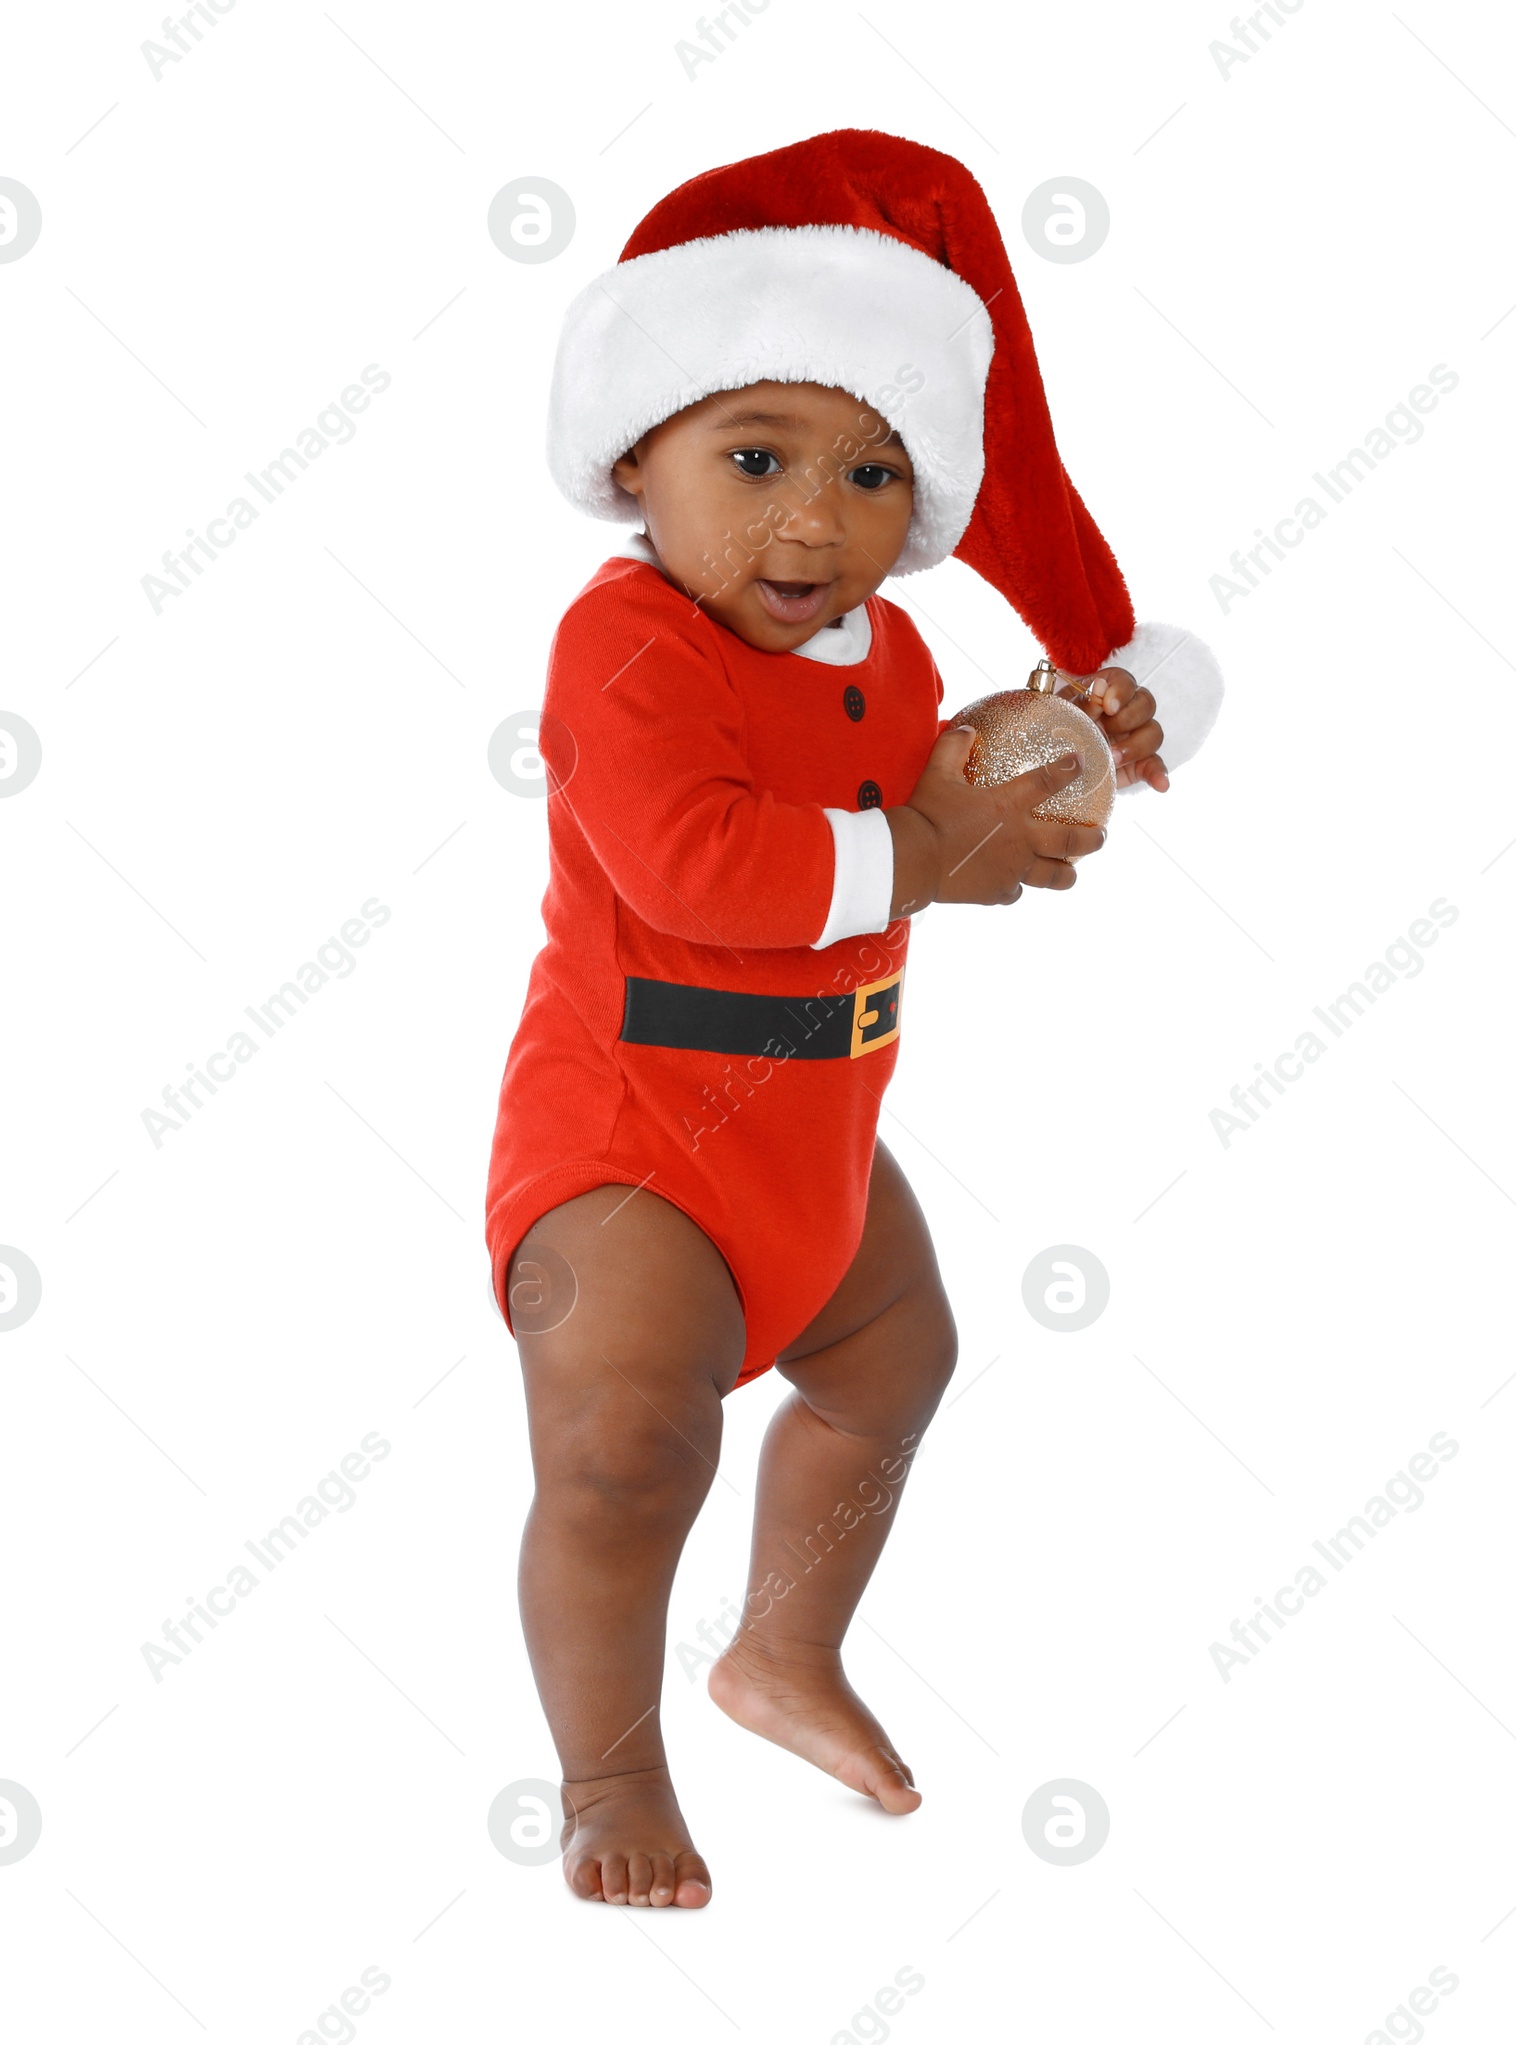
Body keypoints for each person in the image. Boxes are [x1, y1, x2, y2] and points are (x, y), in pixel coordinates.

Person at [484, 128, 1223, 1908]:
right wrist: (924, 846)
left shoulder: (878, 652)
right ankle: (606, 1770)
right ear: (635, 463)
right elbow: (698, 867)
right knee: (622, 1454)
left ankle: (780, 1651)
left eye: (875, 473)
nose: (814, 519)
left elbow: (923, 790)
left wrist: (1040, 753)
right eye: (754, 457)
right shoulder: (630, 646)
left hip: (816, 1132)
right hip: (633, 1145)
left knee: (896, 1363)